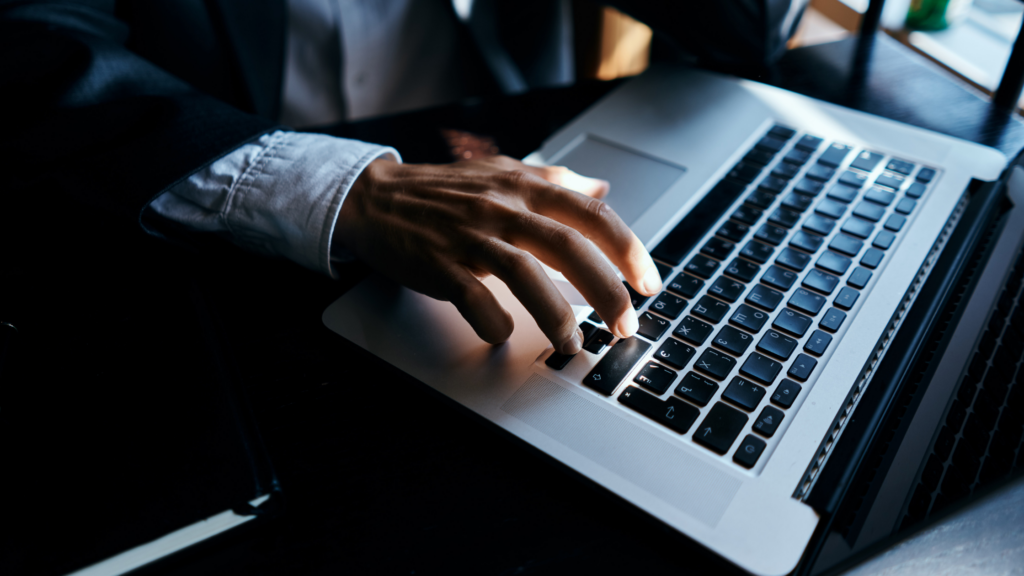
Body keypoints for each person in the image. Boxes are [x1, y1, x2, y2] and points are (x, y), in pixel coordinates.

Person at [0, 0, 805, 355]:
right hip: (224, 214)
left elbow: (749, 23)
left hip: (517, 144)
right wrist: (344, 188)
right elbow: (30, 43)